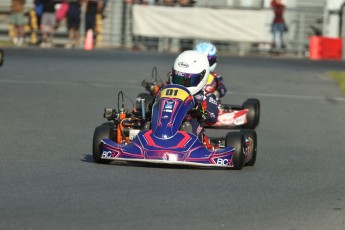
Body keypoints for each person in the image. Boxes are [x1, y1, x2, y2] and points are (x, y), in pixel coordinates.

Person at [170, 50, 218, 140]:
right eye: (178, 80)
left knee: (189, 125)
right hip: (166, 124)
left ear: (202, 78)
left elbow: (212, 119)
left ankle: (186, 142)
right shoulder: (167, 92)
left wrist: (201, 111)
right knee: (148, 124)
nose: (182, 85)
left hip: (189, 128)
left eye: (187, 81)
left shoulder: (206, 97)